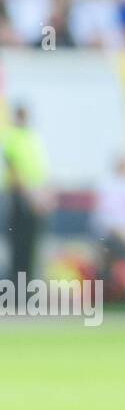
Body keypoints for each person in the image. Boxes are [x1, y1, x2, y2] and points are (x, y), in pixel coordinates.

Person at [3, 105, 51, 282]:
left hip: (35, 197)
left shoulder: (32, 137)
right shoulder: (12, 137)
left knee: (31, 247)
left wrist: (44, 195)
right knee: (19, 246)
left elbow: (40, 171)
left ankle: (28, 290)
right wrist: (31, 197)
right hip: (21, 197)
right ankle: (16, 291)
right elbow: (14, 170)